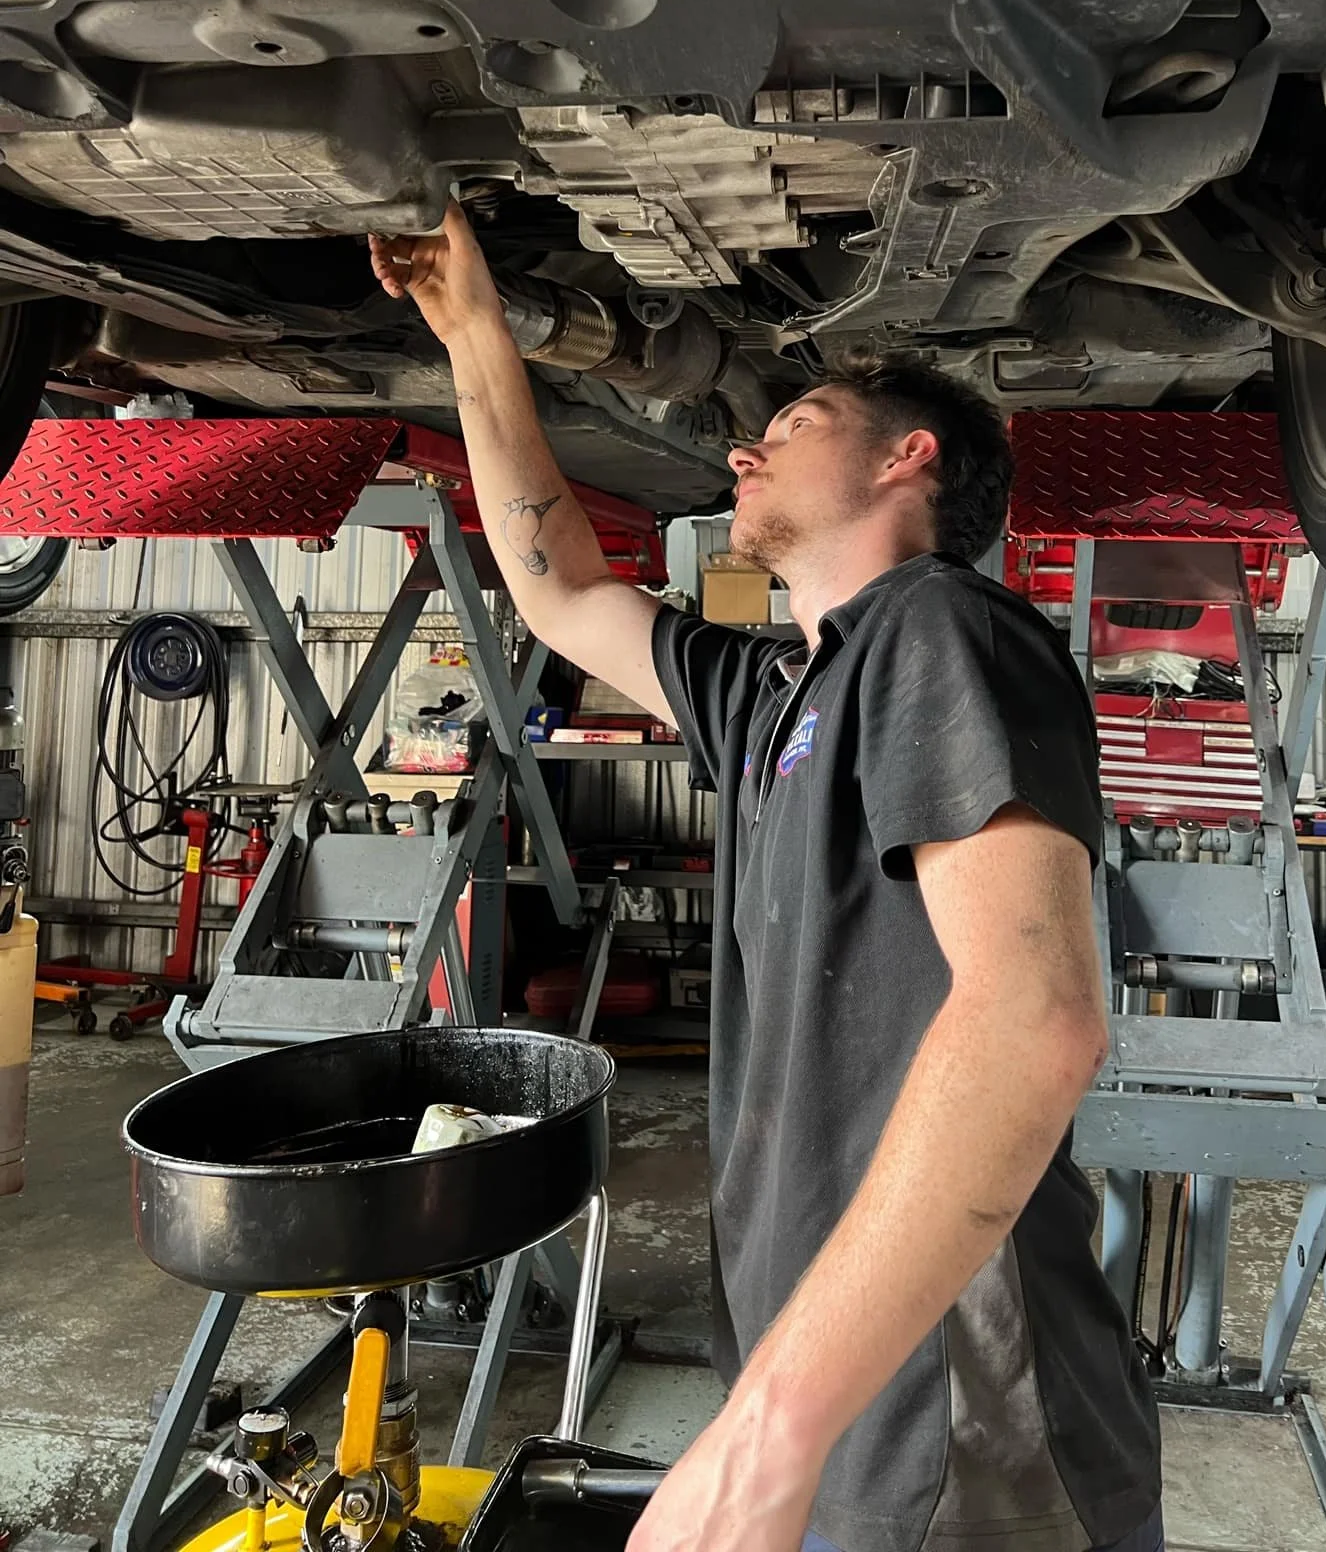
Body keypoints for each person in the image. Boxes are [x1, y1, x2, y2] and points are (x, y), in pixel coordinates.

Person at [371, 206, 1163, 1552]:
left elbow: (1038, 1018)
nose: (743, 444)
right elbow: (560, 585)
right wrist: (475, 339)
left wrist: (768, 1428)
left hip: (967, 1413)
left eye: (796, 421)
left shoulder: (938, 629)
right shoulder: (778, 694)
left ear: (908, 458)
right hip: (846, 1364)